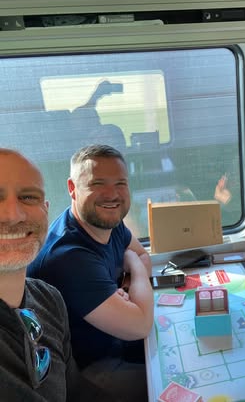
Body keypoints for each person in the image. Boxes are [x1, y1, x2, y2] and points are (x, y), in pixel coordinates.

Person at [28, 144, 154, 401]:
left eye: (120, 183)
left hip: (115, 342)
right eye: (98, 183)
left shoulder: (108, 222)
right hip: (87, 371)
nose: (112, 194)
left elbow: (143, 256)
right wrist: (132, 262)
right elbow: (140, 325)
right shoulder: (68, 257)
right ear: (72, 188)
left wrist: (126, 286)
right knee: (177, 381)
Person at [0, 148, 115, 401]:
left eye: (28, 197)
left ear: (46, 208)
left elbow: (74, 390)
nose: (13, 215)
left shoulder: (48, 299)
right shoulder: (69, 254)